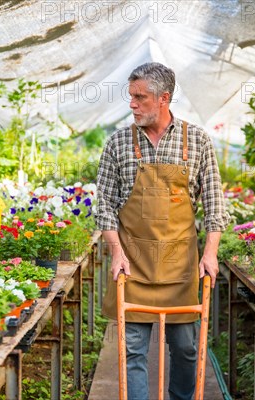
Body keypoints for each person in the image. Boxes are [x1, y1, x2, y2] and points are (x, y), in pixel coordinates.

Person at [96, 62, 230, 400]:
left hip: (180, 267)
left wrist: (210, 253)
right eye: (131, 97)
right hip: (134, 265)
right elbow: (105, 206)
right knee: (133, 351)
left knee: (186, 349)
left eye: (140, 97)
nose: (133, 104)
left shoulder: (197, 141)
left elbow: (215, 205)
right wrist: (116, 252)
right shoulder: (117, 143)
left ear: (164, 98)